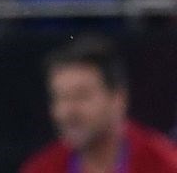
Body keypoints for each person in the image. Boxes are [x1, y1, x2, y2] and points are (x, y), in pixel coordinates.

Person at [21, 37, 177, 173]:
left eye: (81, 96)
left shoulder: (165, 165)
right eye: (60, 98)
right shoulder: (40, 168)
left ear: (118, 99)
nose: (67, 111)